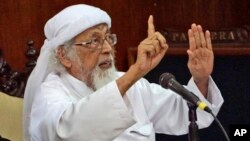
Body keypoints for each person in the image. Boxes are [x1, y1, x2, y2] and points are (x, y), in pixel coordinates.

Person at [23, 4, 224, 141]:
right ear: (64, 55)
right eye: (94, 41)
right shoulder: (49, 95)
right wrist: (136, 72)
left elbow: (186, 114)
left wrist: (200, 78)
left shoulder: (131, 87)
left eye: (109, 38)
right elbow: (69, 131)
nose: (107, 49)